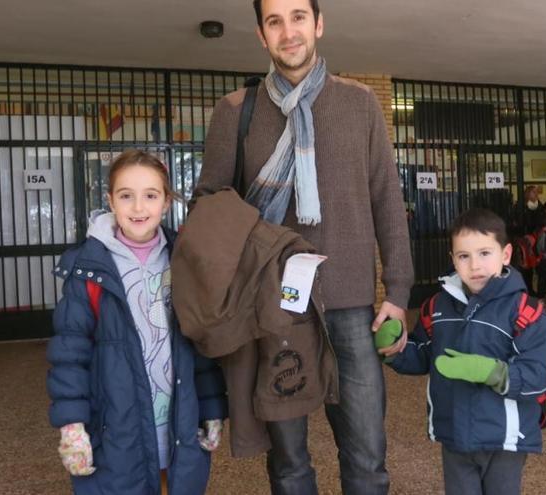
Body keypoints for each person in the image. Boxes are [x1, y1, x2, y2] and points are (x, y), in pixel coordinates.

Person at [195, 1, 414, 492]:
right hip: (275, 310)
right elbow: (209, 207)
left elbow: (387, 200)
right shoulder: (235, 112)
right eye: (275, 21)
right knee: (289, 463)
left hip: (351, 308)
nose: (288, 31)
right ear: (261, 34)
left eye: (298, 16)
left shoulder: (359, 104)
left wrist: (398, 294)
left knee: (367, 458)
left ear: (318, 23)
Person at [46, 150, 227, 494]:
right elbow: (69, 354)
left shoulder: (185, 258)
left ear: (166, 201)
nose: (139, 208)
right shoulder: (87, 268)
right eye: (126, 196)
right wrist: (72, 426)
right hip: (117, 426)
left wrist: (211, 409)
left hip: (176, 423)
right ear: (111, 201)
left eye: (151, 196)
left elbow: (201, 343)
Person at [377, 208, 546, 495]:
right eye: (464, 256)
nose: (475, 265)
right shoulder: (437, 306)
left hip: (504, 437)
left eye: (485, 253)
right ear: (453, 260)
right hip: (455, 434)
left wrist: (489, 372)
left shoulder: (528, 313)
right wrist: (395, 350)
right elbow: (425, 355)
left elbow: (541, 375)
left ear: (506, 254)